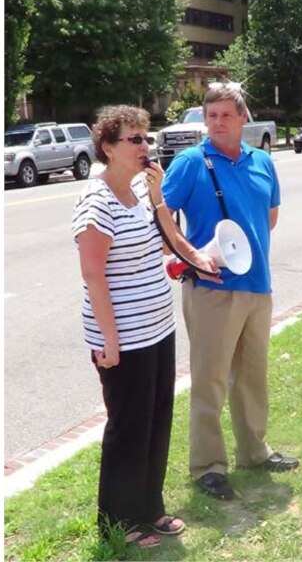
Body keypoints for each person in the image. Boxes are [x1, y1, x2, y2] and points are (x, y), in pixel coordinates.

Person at [71, 105, 216, 548]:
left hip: (157, 326)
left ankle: (150, 508)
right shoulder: (96, 202)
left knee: (156, 419)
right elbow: (93, 275)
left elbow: (168, 234)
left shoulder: (140, 189)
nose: (146, 147)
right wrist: (110, 342)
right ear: (108, 148)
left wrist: (193, 251)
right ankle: (118, 520)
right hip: (123, 336)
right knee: (128, 425)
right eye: (135, 140)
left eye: (146, 138)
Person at [161, 85, 300, 501]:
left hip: (258, 285)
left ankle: (254, 452)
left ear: (243, 118)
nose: (217, 122)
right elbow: (161, 215)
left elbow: (269, 217)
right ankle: (208, 466)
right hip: (212, 289)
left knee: (252, 376)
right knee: (211, 380)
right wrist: (191, 254)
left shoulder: (262, 162)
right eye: (211, 115)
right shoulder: (190, 163)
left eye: (225, 115)